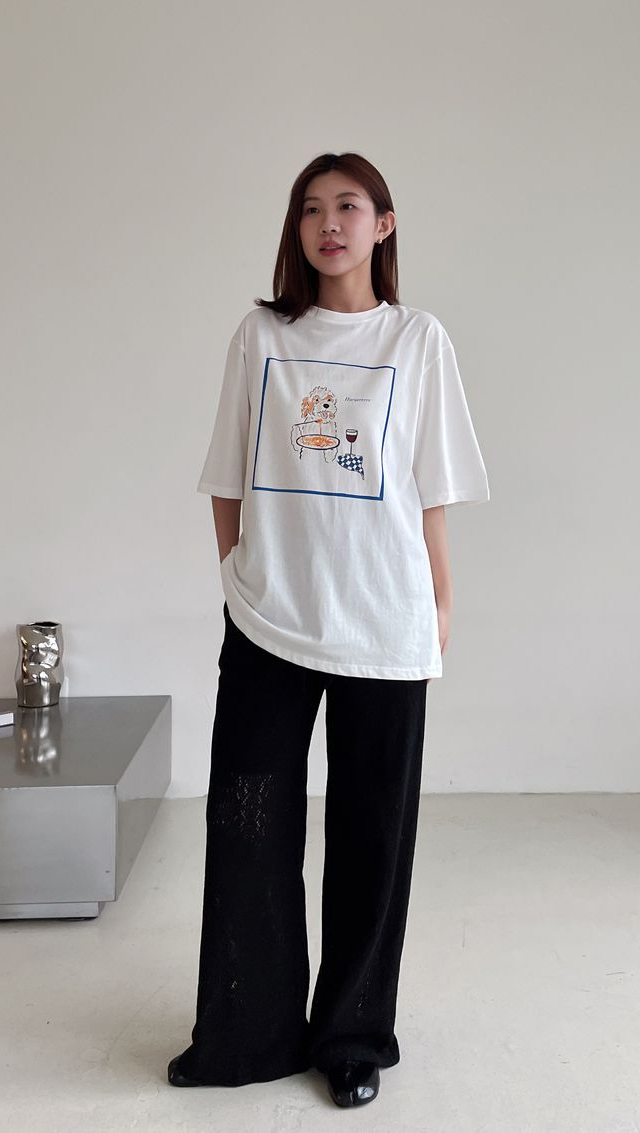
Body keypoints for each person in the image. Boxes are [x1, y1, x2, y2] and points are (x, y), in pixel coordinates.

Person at [168, 151, 490, 1108]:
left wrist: (440, 600)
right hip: (269, 614)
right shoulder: (262, 335)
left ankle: (352, 1036)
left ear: (383, 225)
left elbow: (431, 488)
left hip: (384, 616)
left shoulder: (417, 339)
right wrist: (236, 575)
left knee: (371, 835)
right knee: (249, 823)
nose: (329, 224)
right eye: (311, 208)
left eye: (349, 206)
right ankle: (248, 1029)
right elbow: (227, 472)